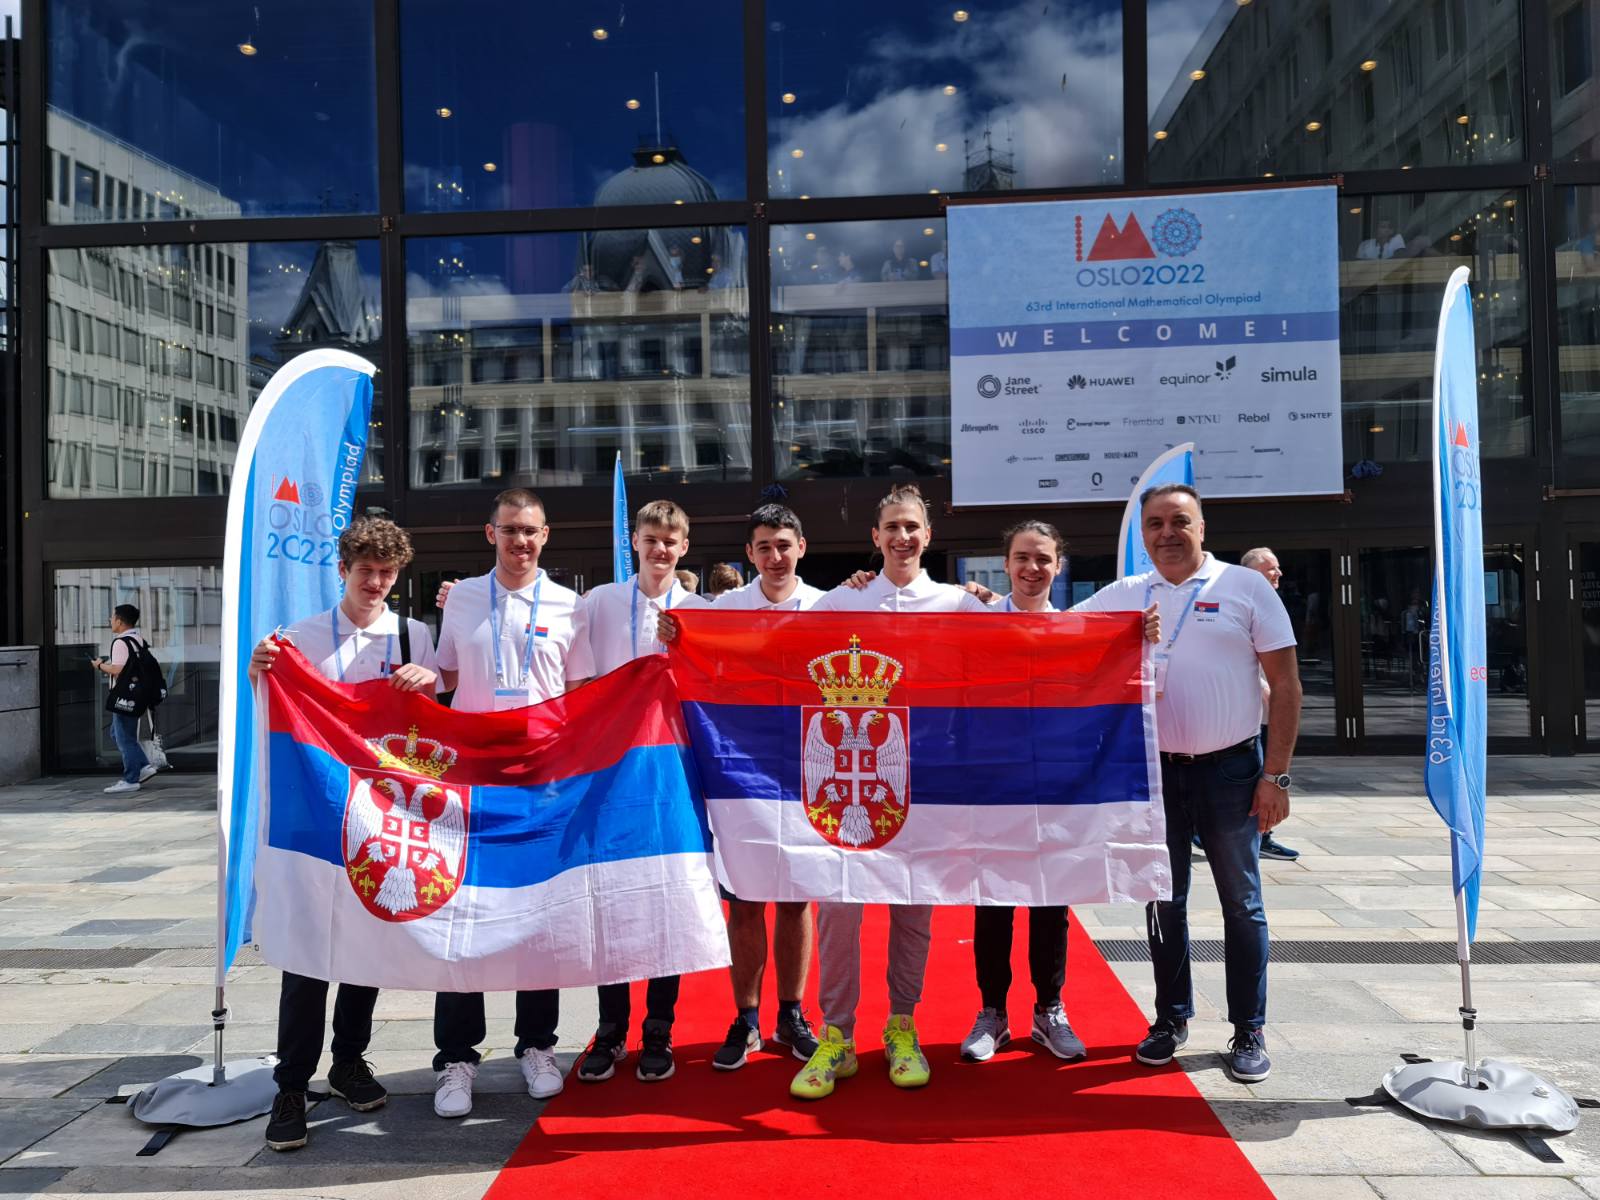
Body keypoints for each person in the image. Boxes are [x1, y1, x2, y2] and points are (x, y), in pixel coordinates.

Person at [1074, 484, 1301, 1084]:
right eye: (1155, 524)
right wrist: (986, 602)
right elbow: (1048, 634)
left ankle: (1248, 1027)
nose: (1167, 533)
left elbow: (1287, 686)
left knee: (1242, 903)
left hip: (1232, 770)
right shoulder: (1127, 594)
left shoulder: (1245, 587)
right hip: (1155, 773)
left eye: (1179, 521)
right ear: (1143, 534)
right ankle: (1170, 1018)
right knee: (1163, 900)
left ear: (1202, 527)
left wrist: (1276, 776)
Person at [789, 483, 988, 1101]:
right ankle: (837, 1035)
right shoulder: (840, 602)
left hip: (926, 783)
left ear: (929, 535)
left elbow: (1028, 642)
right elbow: (777, 652)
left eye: (912, 527)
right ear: (874, 537)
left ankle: (903, 1025)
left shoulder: (958, 603)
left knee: (913, 911)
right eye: (892, 528)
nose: (902, 537)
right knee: (838, 911)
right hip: (848, 784)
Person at [247, 516, 440, 1152]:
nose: (375, 582)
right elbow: (271, 709)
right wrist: (257, 673)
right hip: (314, 813)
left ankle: (349, 1061)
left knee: (364, 944)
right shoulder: (297, 639)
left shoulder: (413, 636)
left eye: (386, 572)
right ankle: (291, 1084)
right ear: (343, 570)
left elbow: (434, 727)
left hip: (379, 815)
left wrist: (430, 683)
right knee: (308, 952)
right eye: (365, 570)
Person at [429, 488, 596, 1119]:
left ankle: (537, 1045)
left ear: (545, 535)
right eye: (510, 530)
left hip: (540, 784)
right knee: (462, 914)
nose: (520, 541)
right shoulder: (462, 598)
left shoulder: (570, 605)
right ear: (490, 533)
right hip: (473, 782)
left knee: (537, 916)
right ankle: (456, 1058)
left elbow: (578, 695)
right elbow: (446, 677)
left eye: (530, 531)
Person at [661, 504, 826, 1072]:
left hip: (807, 767)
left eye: (783, 545)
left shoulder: (829, 607)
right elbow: (681, 652)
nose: (774, 557)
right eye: (763, 547)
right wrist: (672, 636)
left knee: (797, 896)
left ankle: (792, 1015)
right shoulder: (722, 610)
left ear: (801, 547)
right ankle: (747, 1017)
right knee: (747, 897)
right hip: (742, 771)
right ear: (749, 554)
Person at [572, 499, 711, 1083]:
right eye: (651, 539)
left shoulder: (701, 611)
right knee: (611, 898)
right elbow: (574, 678)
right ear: (635, 541)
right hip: (610, 770)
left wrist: (685, 647)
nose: (660, 549)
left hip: (674, 772)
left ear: (684, 548)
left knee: (666, 897)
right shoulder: (600, 601)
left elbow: (715, 687)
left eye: (670, 541)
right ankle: (610, 1030)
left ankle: (659, 1027)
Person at [958, 520, 1089, 1065]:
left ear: (1059, 565)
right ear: (1006, 564)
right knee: (993, 901)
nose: (1032, 568)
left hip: (1056, 784)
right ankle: (992, 1012)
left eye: (1043, 559)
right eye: (1022, 558)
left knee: (1051, 901)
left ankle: (1048, 1010)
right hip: (994, 782)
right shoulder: (980, 626)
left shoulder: (1078, 631)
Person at [1240, 548, 1299, 862]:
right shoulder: (1245, 605)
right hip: (1254, 713)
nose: (1278, 574)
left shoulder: (1271, 603)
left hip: (1268, 713)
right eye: (1270, 569)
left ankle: (1260, 835)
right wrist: (1267, 690)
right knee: (1259, 777)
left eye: (1277, 568)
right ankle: (1261, 837)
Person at [92, 604, 155, 795]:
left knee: (124, 738)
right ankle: (143, 766)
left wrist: (99, 665)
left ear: (119, 621)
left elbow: (118, 669)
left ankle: (130, 779)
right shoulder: (138, 639)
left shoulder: (120, 642)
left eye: (112, 618)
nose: (110, 621)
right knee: (117, 733)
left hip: (124, 696)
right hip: (137, 694)